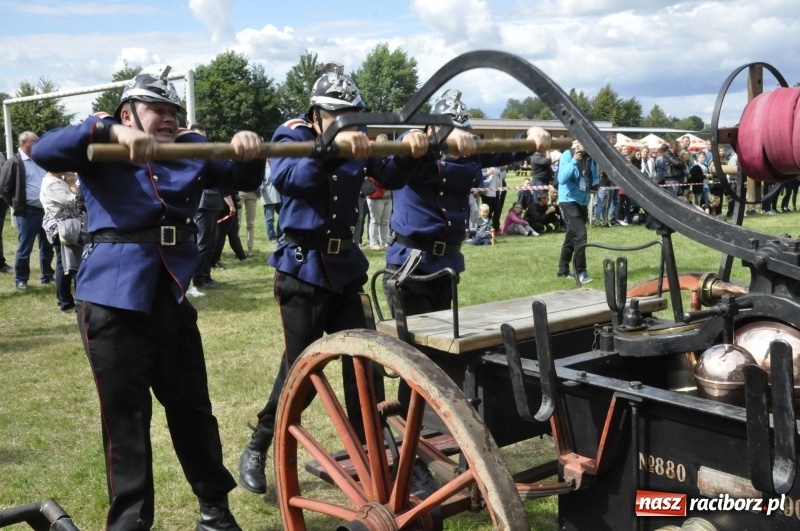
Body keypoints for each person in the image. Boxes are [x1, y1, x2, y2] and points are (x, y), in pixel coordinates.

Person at [31, 66, 265, 531]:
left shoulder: (190, 148)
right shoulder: (102, 143)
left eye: (172, 110)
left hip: (171, 296)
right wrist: (108, 130)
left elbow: (239, 174)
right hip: (111, 301)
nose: (169, 117)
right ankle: (130, 525)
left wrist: (248, 147)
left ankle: (215, 513)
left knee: (194, 411)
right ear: (128, 114)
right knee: (126, 422)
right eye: (157, 109)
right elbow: (44, 149)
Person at [237, 62, 429, 496]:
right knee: (302, 372)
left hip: (344, 271)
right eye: (339, 116)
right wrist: (336, 147)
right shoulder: (292, 135)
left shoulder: (359, 137)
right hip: (302, 270)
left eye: (353, 115)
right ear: (316, 116)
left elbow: (389, 175)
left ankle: (381, 455)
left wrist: (413, 149)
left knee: (364, 369)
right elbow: (291, 178)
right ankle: (260, 441)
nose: (349, 122)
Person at [384, 88, 551, 316]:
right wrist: (419, 135)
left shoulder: (470, 153)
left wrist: (532, 134)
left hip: (447, 264)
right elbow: (406, 143)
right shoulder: (414, 149)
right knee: (418, 337)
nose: (460, 138)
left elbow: (508, 150)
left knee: (445, 335)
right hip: (410, 265)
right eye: (450, 130)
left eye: (463, 131)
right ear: (430, 129)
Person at [0, 131, 55, 290]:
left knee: (47, 246)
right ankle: (21, 279)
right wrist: (17, 204)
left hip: (46, 211)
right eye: (34, 141)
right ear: (24, 143)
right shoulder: (14, 162)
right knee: (25, 247)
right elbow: (4, 188)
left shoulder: (40, 159)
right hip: (28, 212)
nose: (38, 143)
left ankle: (47, 276)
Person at [39, 170, 85, 311]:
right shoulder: (52, 184)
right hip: (63, 230)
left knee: (68, 264)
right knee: (65, 265)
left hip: (67, 227)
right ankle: (65, 302)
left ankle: (70, 301)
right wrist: (72, 184)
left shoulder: (58, 180)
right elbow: (76, 202)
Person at [189, 124, 224, 297]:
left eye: (204, 136)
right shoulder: (192, 157)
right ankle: (199, 278)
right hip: (202, 204)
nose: (202, 140)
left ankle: (206, 275)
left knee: (209, 242)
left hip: (213, 203)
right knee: (202, 243)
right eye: (198, 136)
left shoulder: (208, 156)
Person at [557, 141, 598, 283]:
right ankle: (581, 272)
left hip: (583, 200)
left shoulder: (591, 157)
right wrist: (574, 161)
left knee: (571, 235)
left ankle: (563, 270)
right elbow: (562, 179)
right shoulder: (567, 155)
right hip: (568, 200)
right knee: (581, 234)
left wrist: (595, 185)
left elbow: (594, 176)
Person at [366, 134, 393, 249]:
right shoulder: (372, 159)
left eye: (385, 143)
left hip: (388, 196)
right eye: (381, 143)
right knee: (375, 221)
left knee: (385, 221)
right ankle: (373, 243)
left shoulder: (390, 158)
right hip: (375, 195)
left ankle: (384, 242)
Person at [259, 158, 282, 241]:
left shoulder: (278, 166)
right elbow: (259, 182)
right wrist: (262, 191)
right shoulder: (262, 168)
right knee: (270, 218)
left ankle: (280, 234)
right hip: (268, 196)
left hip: (279, 195)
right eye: (269, 157)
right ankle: (272, 236)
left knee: (283, 214)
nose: (271, 159)